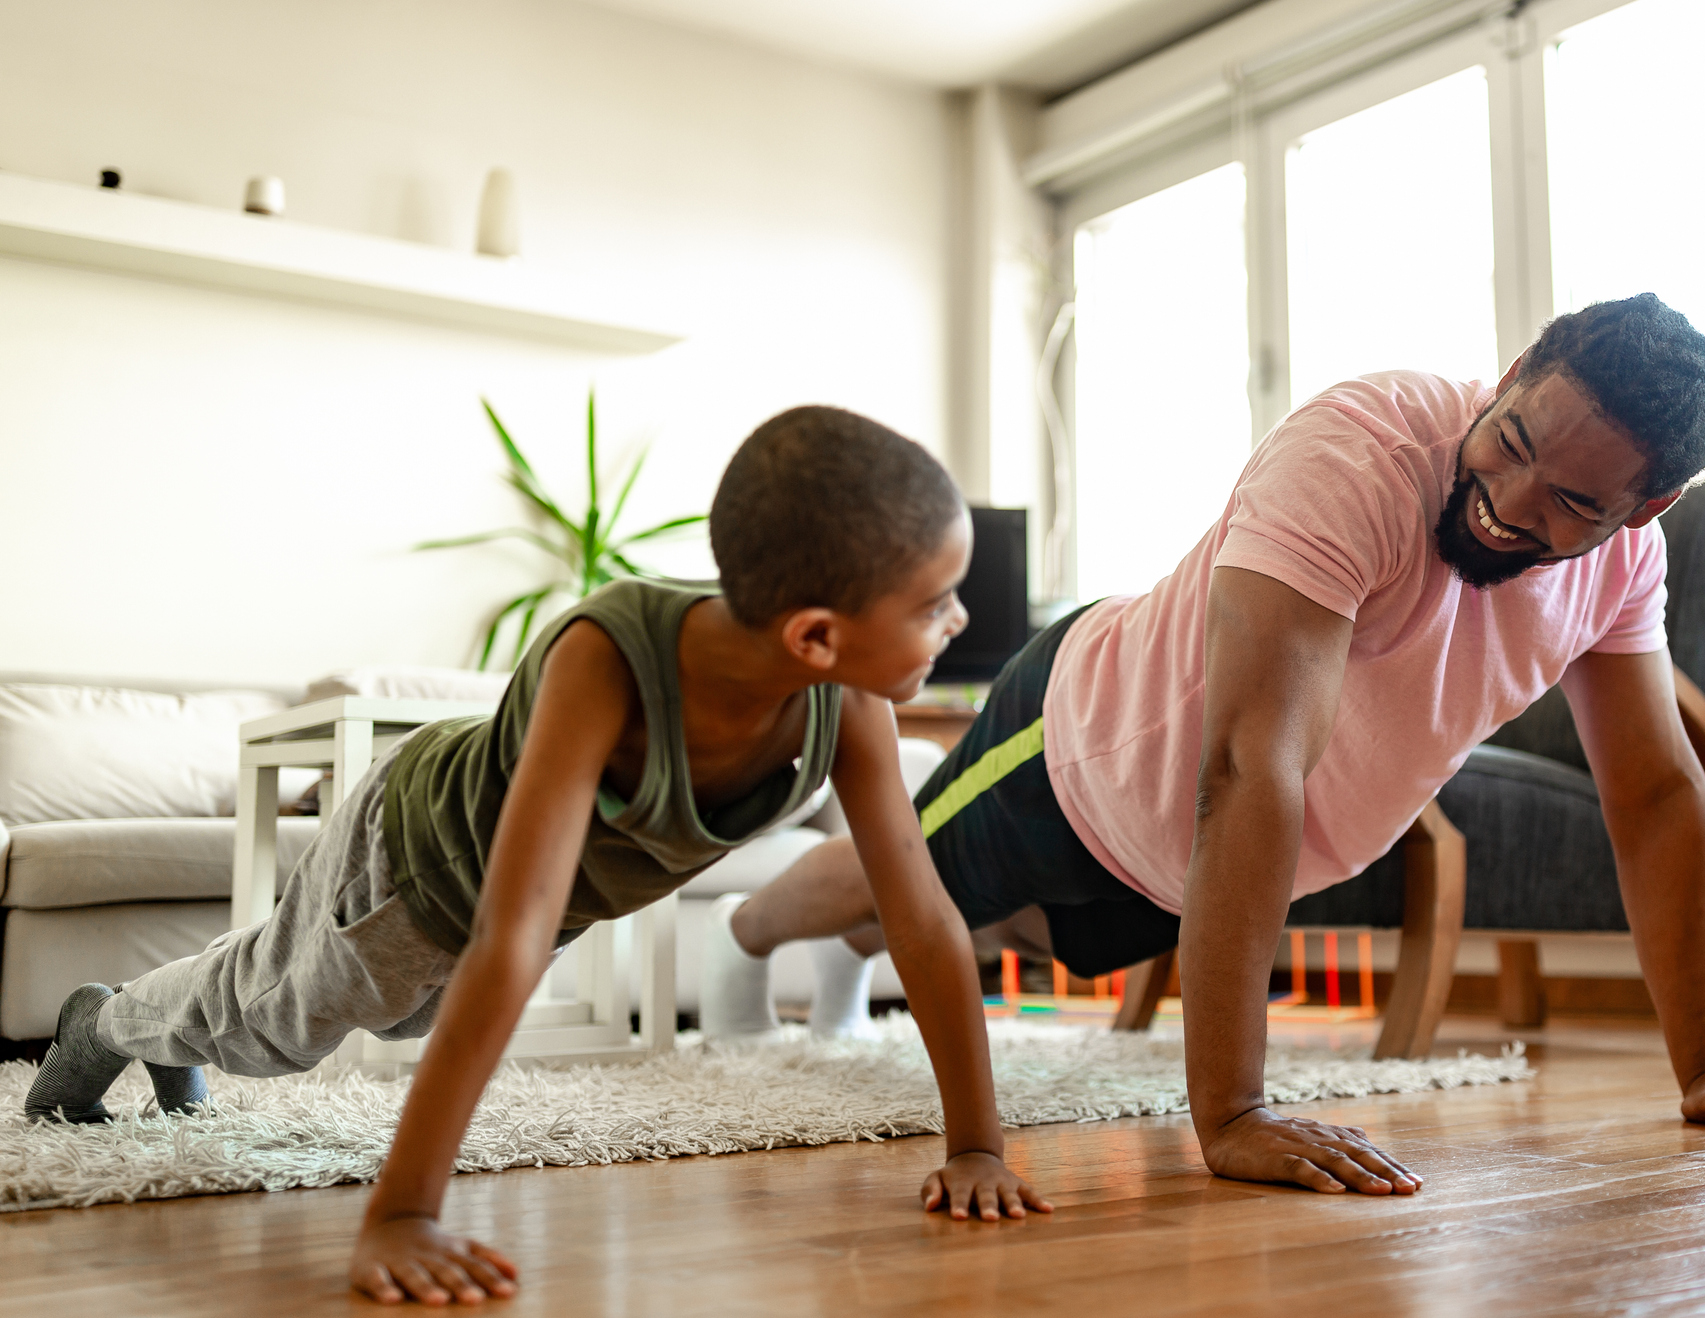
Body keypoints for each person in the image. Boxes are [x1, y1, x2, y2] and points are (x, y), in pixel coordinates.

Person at [716, 294, 1705, 1199]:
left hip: (1192, 865)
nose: (1512, 497)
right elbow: (1249, 763)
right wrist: (1231, 1115)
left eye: (1574, 503)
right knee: (909, 874)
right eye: (1516, 436)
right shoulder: (1360, 453)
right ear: (1517, 372)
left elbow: (1651, 792)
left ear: (1642, 511)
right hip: (1084, 742)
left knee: (1005, 931)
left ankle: (842, 966)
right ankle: (749, 937)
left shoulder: (1625, 566)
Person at [24, 406, 1051, 1306]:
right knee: (283, 1027)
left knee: (390, 1007)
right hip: (411, 854)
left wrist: (975, 1146)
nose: (958, 621)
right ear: (817, 636)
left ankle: (150, 1018)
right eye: (935, 603)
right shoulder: (604, 657)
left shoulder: (848, 706)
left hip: (527, 902)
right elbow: (507, 940)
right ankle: (107, 1022)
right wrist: (402, 1215)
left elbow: (917, 917)